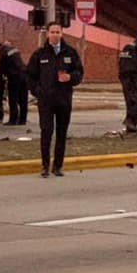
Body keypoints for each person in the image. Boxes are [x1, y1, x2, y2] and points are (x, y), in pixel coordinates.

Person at [26, 21, 83, 177]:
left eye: (58, 32)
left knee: (61, 132)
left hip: (64, 99)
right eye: (53, 32)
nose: (55, 34)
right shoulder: (40, 54)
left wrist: (70, 77)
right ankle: (45, 166)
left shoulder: (70, 53)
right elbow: (30, 76)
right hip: (46, 101)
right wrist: (38, 91)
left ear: (62, 33)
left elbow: (79, 73)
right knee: (46, 131)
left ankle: (57, 166)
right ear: (48, 34)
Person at [0, 37, 29, 126]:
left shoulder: (3, 52)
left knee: (13, 99)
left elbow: (1, 67)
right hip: (24, 75)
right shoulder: (15, 50)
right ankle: (23, 119)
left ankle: (13, 119)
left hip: (14, 77)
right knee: (23, 98)